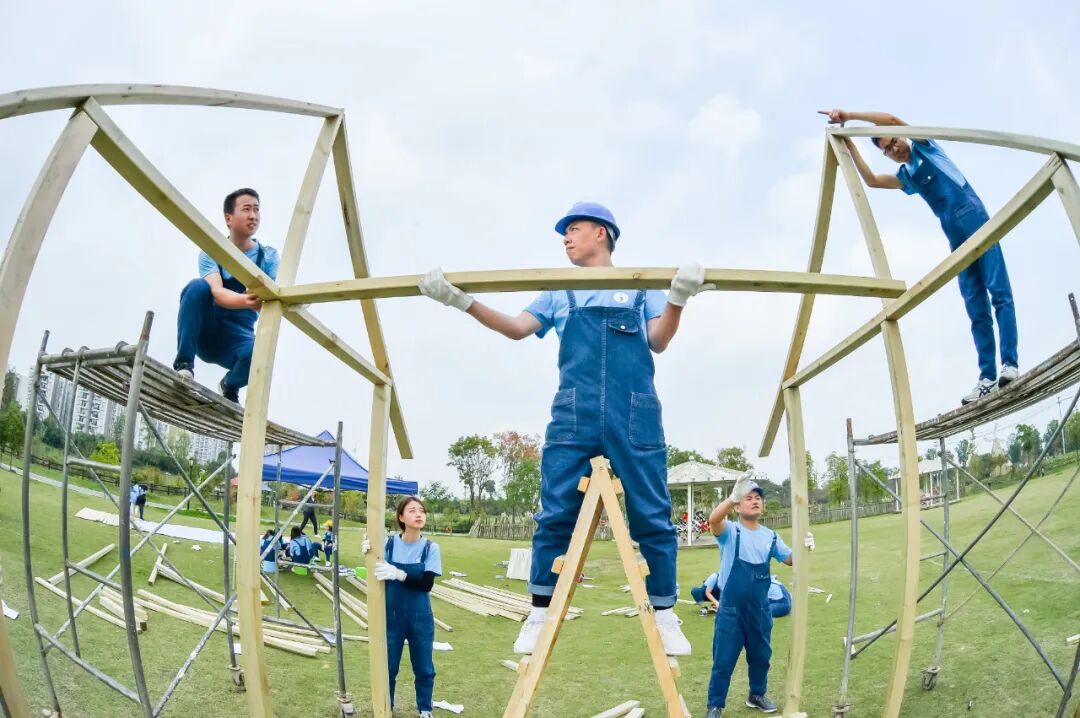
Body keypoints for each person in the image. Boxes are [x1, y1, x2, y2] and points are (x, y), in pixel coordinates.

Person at [417, 201, 707, 657]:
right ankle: (538, 609)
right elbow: (516, 328)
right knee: (554, 514)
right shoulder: (559, 291)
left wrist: (678, 298)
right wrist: (460, 300)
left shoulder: (640, 285)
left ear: (603, 233)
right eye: (563, 233)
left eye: (574, 229)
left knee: (652, 514)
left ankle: (665, 613)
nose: (566, 238)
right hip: (575, 414)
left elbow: (659, 340)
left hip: (635, 412)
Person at [819, 109, 1019, 405]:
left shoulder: (928, 147)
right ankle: (987, 378)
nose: (894, 149)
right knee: (975, 310)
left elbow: (892, 119)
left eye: (894, 142)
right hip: (957, 243)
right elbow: (872, 180)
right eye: (886, 149)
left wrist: (849, 115)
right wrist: (849, 144)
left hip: (976, 222)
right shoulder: (908, 177)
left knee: (998, 293)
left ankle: (1010, 364)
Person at [704, 478, 814, 717]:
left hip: (760, 610)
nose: (754, 501)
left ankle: (756, 695)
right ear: (737, 506)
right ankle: (715, 705)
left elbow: (791, 560)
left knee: (761, 657)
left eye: (758, 498)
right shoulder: (731, 531)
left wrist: (804, 548)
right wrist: (732, 496)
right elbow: (713, 520)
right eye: (748, 498)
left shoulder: (771, 537)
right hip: (731, 611)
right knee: (723, 661)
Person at [173, 188, 280, 403]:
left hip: (237, 337)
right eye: (247, 209)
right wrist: (245, 299)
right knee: (196, 287)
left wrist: (263, 300)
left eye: (257, 210)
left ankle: (230, 385)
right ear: (228, 218)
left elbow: (270, 301)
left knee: (262, 353)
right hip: (207, 331)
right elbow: (216, 291)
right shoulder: (212, 250)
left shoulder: (268, 257)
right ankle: (184, 366)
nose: (253, 216)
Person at [364, 496, 442, 718]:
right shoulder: (387, 544)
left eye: (422, 510)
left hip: (420, 617)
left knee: (424, 667)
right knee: (388, 667)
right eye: (412, 510)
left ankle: (425, 709)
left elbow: (426, 584)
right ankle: (386, 707)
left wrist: (399, 574)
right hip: (392, 616)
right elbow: (374, 572)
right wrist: (368, 553)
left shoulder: (430, 548)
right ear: (400, 517)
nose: (419, 514)